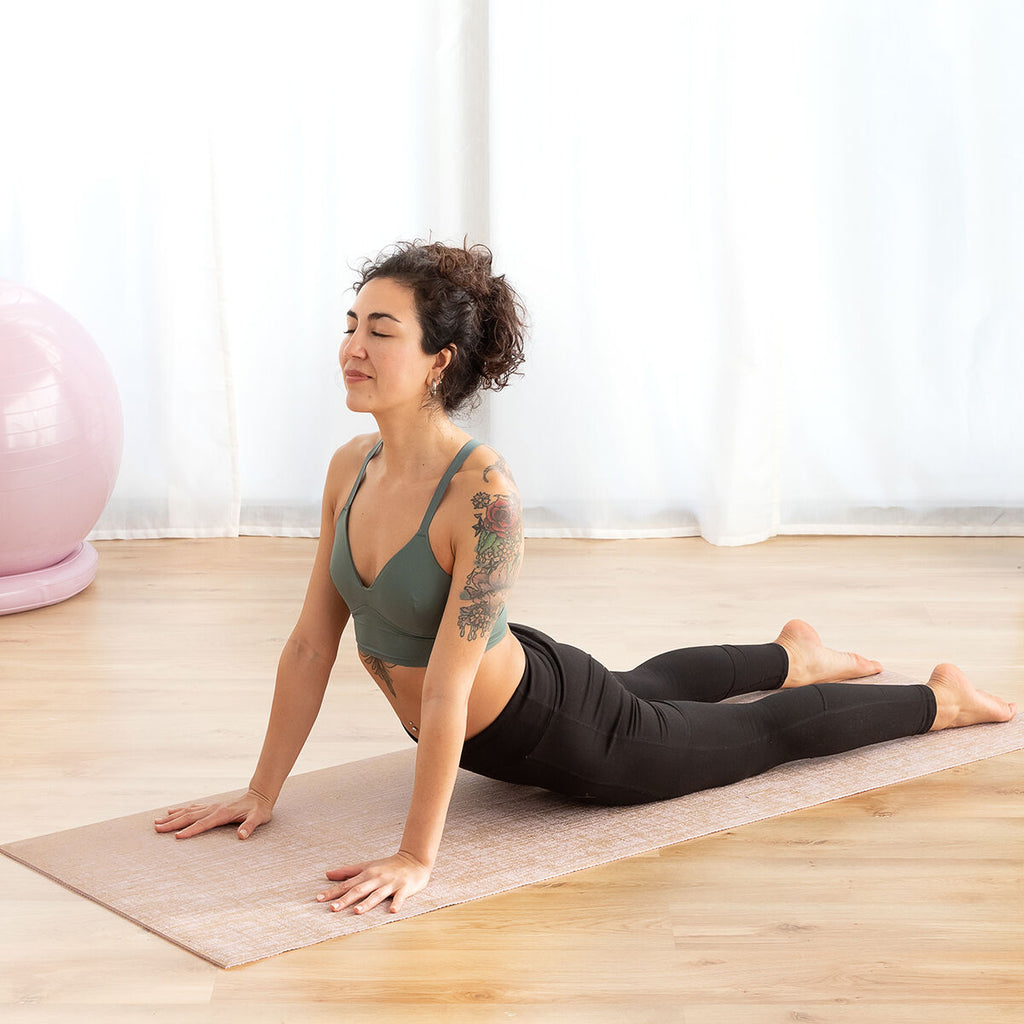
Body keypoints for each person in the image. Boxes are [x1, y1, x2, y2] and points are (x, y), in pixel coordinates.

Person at [155, 241, 1017, 916]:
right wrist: (261, 788)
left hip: (559, 733)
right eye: (351, 323)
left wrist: (417, 856)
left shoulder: (482, 497)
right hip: (522, 673)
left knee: (745, 740)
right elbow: (312, 642)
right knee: (643, 686)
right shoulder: (352, 465)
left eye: (380, 332)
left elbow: (448, 695)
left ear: (438, 361)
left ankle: (941, 701)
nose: (351, 347)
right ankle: (792, 652)